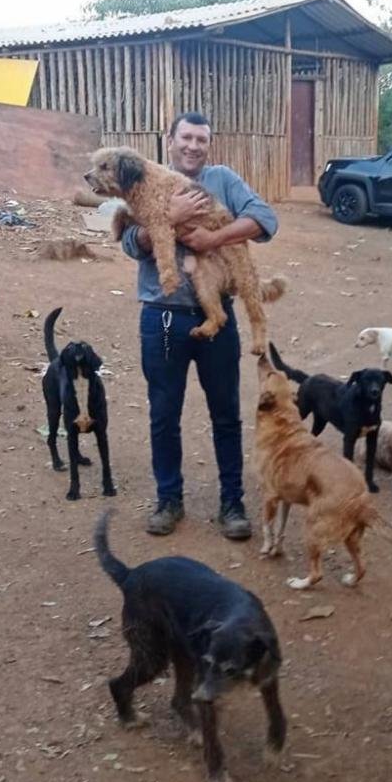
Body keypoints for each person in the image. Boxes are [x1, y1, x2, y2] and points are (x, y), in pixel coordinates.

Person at [121, 112, 278, 540]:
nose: (193, 146)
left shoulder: (223, 179)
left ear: (209, 144)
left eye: (201, 140)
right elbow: (131, 244)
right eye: (185, 138)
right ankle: (169, 500)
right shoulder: (139, 178)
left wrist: (214, 240)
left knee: (226, 413)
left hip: (217, 319)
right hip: (165, 316)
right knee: (164, 413)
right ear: (168, 139)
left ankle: (232, 504)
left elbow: (265, 220)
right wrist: (167, 217)